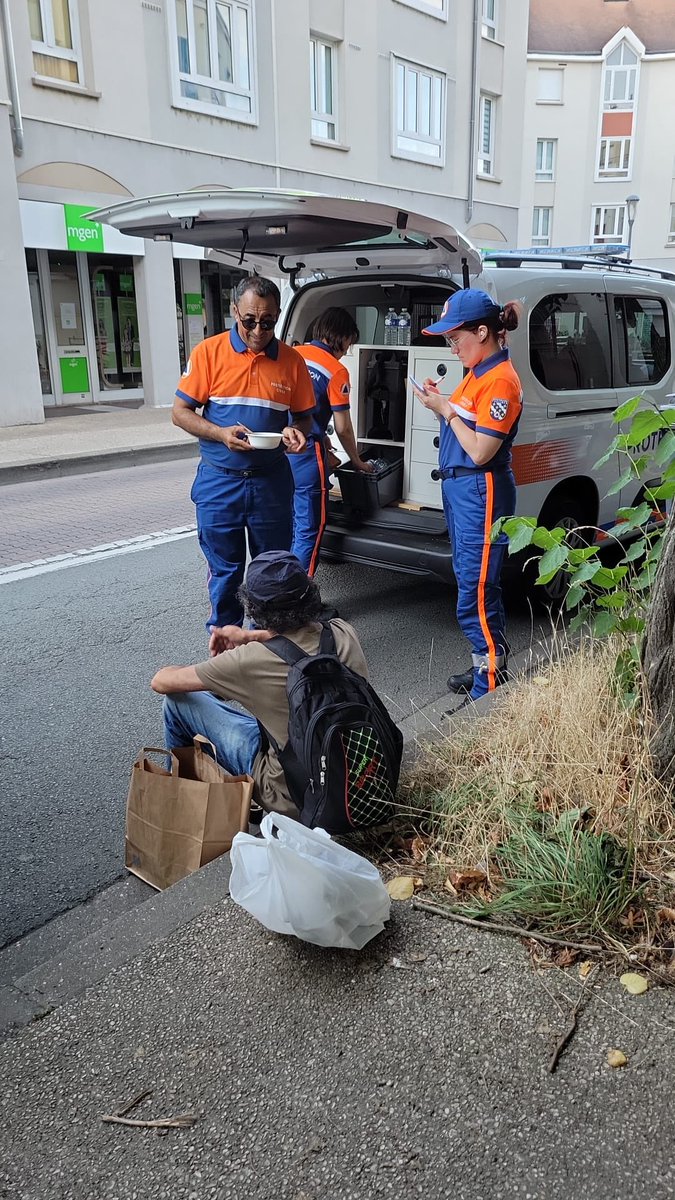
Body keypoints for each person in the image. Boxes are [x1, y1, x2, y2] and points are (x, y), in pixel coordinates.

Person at [150, 550, 369, 819]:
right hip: (360, 775)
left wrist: (239, 650)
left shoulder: (248, 662)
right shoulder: (342, 631)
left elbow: (161, 682)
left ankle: (179, 805)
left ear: (252, 608)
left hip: (292, 795)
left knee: (177, 704)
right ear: (311, 593)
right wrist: (249, 638)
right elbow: (301, 635)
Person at [172, 276, 316, 630]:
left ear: (278, 316)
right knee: (225, 572)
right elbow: (180, 413)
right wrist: (220, 434)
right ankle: (223, 646)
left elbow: (304, 417)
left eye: (267, 322)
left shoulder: (292, 361)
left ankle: (267, 645)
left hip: (271, 483)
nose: (257, 330)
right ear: (234, 310)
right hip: (220, 483)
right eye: (249, 320)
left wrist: (297, 432)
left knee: (272, 570)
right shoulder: (208, 352)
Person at [414, 288, 523, 704]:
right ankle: (489, 661)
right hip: (464, 491)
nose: (451, 346)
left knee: (474, 593)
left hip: (482, 489)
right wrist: (438, 401)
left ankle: (489, 682)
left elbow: (480, 450)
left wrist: (446, 410)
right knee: (474, 584)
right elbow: (461, 417)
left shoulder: (501, 381)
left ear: (483, 332)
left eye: (455, 338)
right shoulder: (479, 371)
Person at [290, 308, 373, 575]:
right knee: (308, 529)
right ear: (341, 336)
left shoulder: (293, 355)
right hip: (304, 454)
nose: (348, 349)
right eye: (349, 341)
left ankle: (278, 595)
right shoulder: (336, 370)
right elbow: (344, 427)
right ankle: (300, 601)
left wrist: (324, 441)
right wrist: (358, 461)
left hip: (278, 450)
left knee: (288, 525)